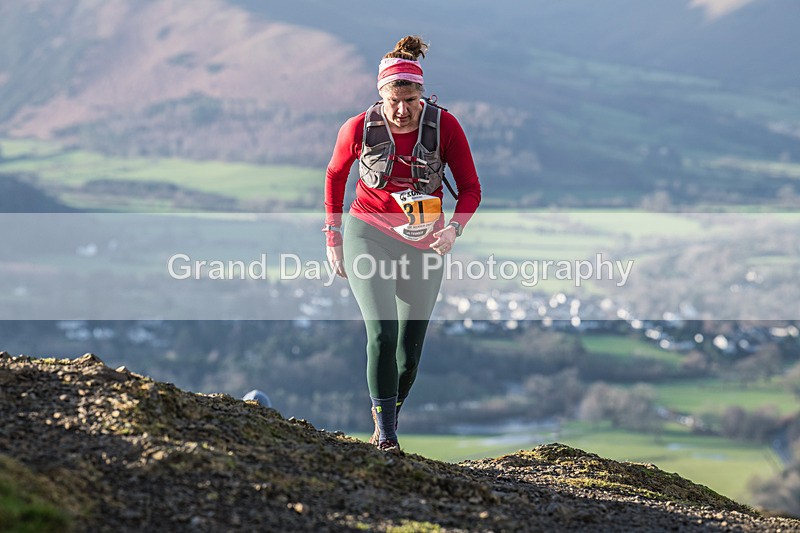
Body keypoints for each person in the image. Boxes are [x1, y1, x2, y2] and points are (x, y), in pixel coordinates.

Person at [323, 35, 481, 451]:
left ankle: (385, 419)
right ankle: (388, 438)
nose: (402, 109)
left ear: (422, 94)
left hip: (426, 243)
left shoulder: (445, 126)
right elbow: (335, 176)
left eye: (410, 100)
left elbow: (470, 189)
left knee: (409, 354)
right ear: (381, 95)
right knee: (382, 333)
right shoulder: (358, 127)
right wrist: (333, 237)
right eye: (394, 100)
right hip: (368, 234)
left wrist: (453, 230)